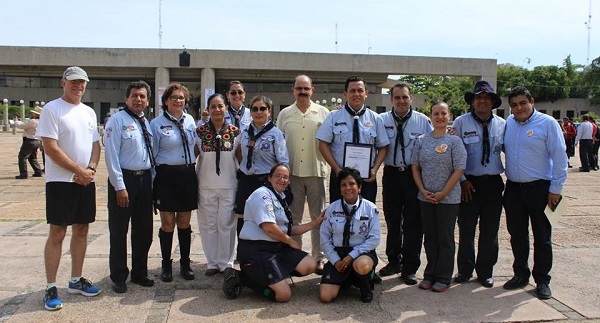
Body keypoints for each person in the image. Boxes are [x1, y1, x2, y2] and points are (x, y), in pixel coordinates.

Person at [36, 66, 101, 311]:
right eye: (73, 82)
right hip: (61, 182)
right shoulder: (52, 109)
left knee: (82, 229)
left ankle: (76, 280)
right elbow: (50, 148)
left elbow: (95, 145)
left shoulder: (88, 112)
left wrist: (91, 169)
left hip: (85, 180)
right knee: (58, 233)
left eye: (82, 82)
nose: (78, 86)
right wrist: (78, 170)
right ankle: (51, 285)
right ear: (63, 83)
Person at [223, 164, 323, 302]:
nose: (282, 179)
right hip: (257, 251)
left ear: (288, 182)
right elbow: (269, 227)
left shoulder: (278, 196)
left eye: (285, 177)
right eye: (278, 176)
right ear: (269, 178)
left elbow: (286, 229)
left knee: (310, 264)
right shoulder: (262, 195)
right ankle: (242, 278)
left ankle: (274, 276)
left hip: (276, 248)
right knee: (283, 296)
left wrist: (315, 223)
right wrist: (290, 241)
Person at [503, 86, 567, 300]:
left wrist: (556, 190)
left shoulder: (548, 124)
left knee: (543, 237)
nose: (518, 108)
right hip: (513, 189)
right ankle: (520, 274)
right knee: (517, 235)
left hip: (542, 189)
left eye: (522, 103)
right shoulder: (509, 124)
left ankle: (542, 280)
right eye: (514, 105)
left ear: (532, 101)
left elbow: (559, 158)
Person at [452, 80, 506, 288]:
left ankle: (486, 271)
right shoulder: (460, 123)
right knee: (466, 228)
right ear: (473, 101)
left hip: (493, 183)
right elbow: (455, 155)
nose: (482, 101)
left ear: (492, 102)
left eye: (486, 98)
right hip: (468, 183)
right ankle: (465, 270)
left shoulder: (503, 124)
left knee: (490, 229)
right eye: (478, 98)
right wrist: (463, 180)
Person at [378, 82, 432, 285]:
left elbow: (430, 145)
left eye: (405, 97)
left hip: (414, 176)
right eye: (397, 97)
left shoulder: (423, 122)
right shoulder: (381, 120)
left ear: (412, 99)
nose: (401, 101)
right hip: (391, 175)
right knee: (392, 221)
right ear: (391, 100)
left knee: (413, 223)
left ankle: (410, 267)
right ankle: (393, 261)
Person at [104, 80, 155, 293]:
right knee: (119, 230)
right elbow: (111, 155)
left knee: (144, 230)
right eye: (134, 95)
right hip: (124, 181)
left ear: (148, 101)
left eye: (142, 96)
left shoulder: (146, 122)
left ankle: (139, 272)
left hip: (144, 180)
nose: (138, 99)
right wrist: (119, 186)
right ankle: (118, 276)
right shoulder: (116, 121)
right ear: (127, 98)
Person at [276, 75, 330, 274]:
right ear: (293, 90)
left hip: (316, 172)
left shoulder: (323, 113)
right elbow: (279, 142)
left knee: (319, 218)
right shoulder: (284, 114)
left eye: (306, 88)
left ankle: (319, 257)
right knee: (293, 218)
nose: (302, 91)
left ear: (312, 90)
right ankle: (295, 256)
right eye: (299, 88)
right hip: (292, 175)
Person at [411, 101, 467, 293]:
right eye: (436, 113)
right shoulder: (422, 140)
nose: (440, 117)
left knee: (445, 237)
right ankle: (430, 274)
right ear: (431, 116)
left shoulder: (455, 141)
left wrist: (443, 193)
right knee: (430, 237)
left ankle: (443, 276)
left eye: (444, 113)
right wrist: (422, 189)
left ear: (449, 116)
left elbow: (459, 168)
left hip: (448, 199)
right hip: (425, 197)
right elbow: (415, 166)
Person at [150, 83, 198, 282]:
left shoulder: (190, 121)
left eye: (181, 98)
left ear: (186, 101)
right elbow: (152, 154)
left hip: (187, 174)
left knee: (184, 222)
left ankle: (185, 263)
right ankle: (166, 265)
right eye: (173, 98)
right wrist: (154, 183)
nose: (178, 101)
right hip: (166, 176)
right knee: (168, 223)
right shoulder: (157, 123)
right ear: (165, 101)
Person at [316, 76, 389, 204]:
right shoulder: (334, 117)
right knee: (338, 215)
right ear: (345, 94)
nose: (356, 94)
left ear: (366, 93)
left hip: (366, 178)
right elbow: (323, 144)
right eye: (352, 91)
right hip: (340, 176)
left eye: (360, 90)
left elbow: (383, 147)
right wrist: (336, 169)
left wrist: (375, 169)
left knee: (365, 216)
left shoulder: (375, 119)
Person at [319, 167, 381, 303]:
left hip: (361, 253)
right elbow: (324, 238)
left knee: (361, 265)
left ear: (359, 187)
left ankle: (365, 286)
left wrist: (351, 256)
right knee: (325, 297)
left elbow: (374, 239)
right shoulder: (332, 209)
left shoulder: (371, 209)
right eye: (343, 185)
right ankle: (347, 280)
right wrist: (335, 260)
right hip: (339, 254)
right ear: (340, 189)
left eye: (352, 184)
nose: (348, 188)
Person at [195, 93, 240, 275]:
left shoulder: (235, 132)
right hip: (205, 185)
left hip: (229, 185)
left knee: (227, 225)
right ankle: (212, 263)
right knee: (208, 225)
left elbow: (240, 159)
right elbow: (193, 156)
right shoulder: (199, 132)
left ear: (226, 108)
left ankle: (226, 262)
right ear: (208, 109)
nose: (217, 109)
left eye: (220, 106)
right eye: (213, 106)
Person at [234, 96, 288, 236]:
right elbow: (239, 152)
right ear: (250, 111)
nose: (259, 112)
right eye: (255, 109)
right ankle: (243, 253)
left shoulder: (276, 134)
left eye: (263, 108)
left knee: (265, 220)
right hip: (246, 180)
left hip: (264, 182)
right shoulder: (244, 132)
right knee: (242, 217)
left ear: (269, 111)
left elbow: (282, 161)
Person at [15, 106, 44, 179]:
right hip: (37, 141)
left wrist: (16, 121)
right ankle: (38, 171)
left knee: (22, 157)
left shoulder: (33, 121)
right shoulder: (41, 121)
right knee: (32, 157)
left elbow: (21, 126)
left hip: (29, 141)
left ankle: (23, 174)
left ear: (36, 114)